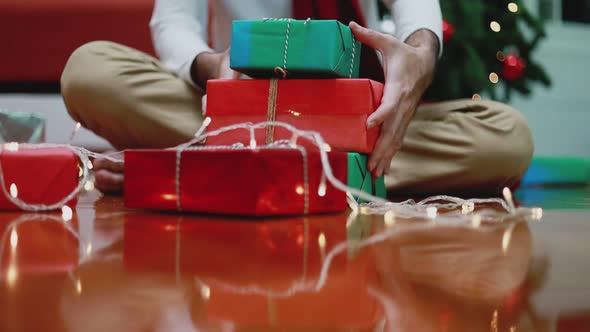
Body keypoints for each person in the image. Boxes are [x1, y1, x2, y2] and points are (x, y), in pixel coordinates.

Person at [61, 0, 534, 196]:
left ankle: (203, 171)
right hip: (233, 109)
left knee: (506, 136)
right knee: (90, 71)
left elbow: (415, 9)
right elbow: (173, 22)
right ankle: (337, 175)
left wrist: (420, 53)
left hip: (361, 120)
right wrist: (213, 66)